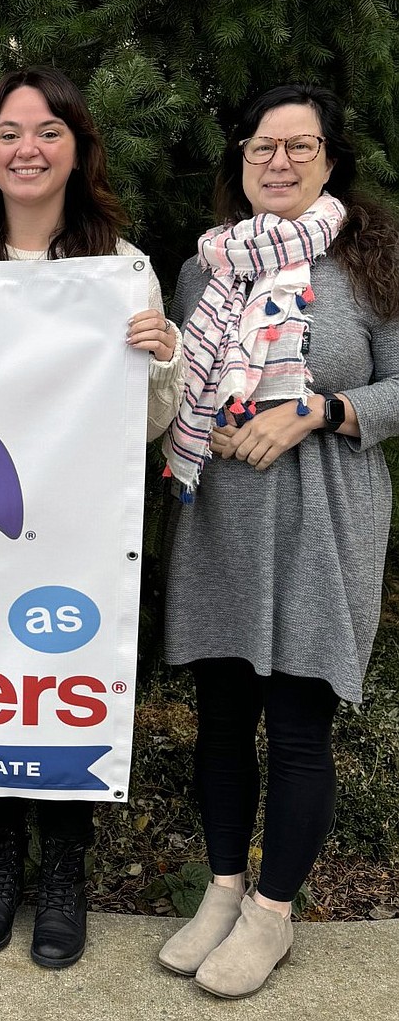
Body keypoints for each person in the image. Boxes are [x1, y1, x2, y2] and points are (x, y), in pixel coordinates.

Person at [0, 65, 182, 968]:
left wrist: (160, 357)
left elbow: (148, 423)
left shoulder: (120, 266)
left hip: (72, 531)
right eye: (9, 132)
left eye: (47, 133)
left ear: (77, 150)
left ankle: (63, 871)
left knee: (60, 688)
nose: (26, 149)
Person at [157, 83, 399, 998]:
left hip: (324, 515)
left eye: (300, 147)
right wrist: (198, 412)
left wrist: (321, 410)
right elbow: (181, 382)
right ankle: (222, 891)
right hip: (223, 512)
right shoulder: (203, 271)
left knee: (298, 726)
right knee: (220, 721)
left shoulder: (372, 263)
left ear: (332, 161)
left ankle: (272, 914)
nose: (280, 163)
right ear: (242, 162)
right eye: (263, 148)